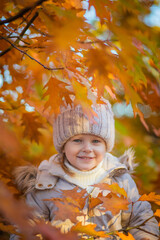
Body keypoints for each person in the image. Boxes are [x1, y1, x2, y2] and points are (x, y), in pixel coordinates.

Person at [11, 101, 159, 240]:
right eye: (77, 140)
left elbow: (142, 219)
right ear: (63, 146)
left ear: (106, 146)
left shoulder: (121, 180)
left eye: (96, 141)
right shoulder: (45, 185)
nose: (87, 149)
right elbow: (27, 229)